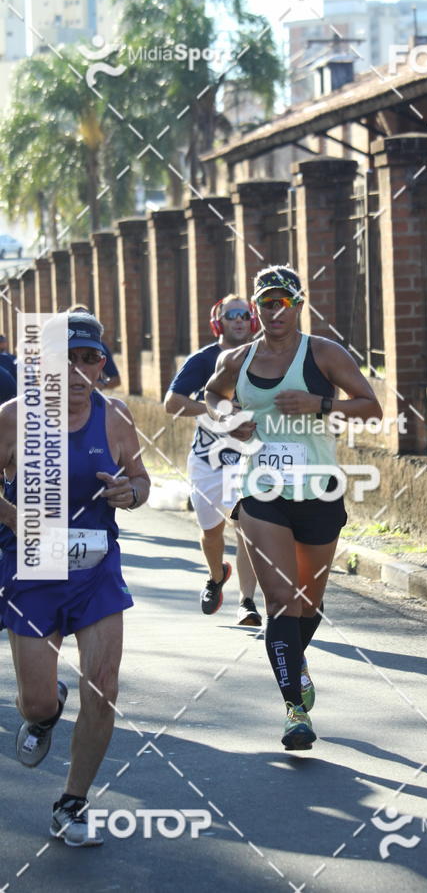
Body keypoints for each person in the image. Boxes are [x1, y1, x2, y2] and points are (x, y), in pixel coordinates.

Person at [205, 266, 382, 750]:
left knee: (307, 604)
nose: (273, 311)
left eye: (283, 302)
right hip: (261, 492)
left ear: (298, 305)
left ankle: (294, 657)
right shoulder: (238, 359)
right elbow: (212, 397)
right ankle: (294, 711)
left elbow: (371, 406)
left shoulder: (324, 354)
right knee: (281, 602)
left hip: (319, 492)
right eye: (266, 303)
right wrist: (229, 421)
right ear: (256, 307)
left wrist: (320, 406)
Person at [0, 312, 150, 846]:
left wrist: (130, 493)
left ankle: (73, 802)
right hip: (34, 568)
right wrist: (13, 515)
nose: (79, 368)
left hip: (96, 568)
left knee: (104, 688)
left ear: (102, 366)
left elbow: (140, 478)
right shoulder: (15, 417)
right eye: (67, 357)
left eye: (90, 358)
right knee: (37, 702)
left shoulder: (115, 417)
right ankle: (44, 715)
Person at [164, 296, 261, 625]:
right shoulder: (203, 360)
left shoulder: (264, 357)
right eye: (231, 315)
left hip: (246, 459)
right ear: (217, 322)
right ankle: (216, 575)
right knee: (211, 530)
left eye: (245, 315)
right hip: (206, 459)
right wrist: (213, 408)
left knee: (245, 525)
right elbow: (171, 403)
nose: (239, 320)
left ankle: (247, 602)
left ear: (253, 320)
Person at [67, 305, 120, 389]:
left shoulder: (99, 347)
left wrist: (102, 384)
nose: (80, 369)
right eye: (69, 358)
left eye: (90, 358)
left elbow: (116, 380)